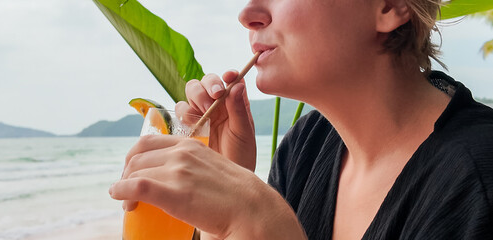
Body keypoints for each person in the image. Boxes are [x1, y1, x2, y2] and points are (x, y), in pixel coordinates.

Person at [109, 0, 493, 239]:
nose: (248, 14)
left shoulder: (479, 181)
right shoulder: (304, 147)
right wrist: (220, 220)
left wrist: (264, 223)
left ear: (389, 5)